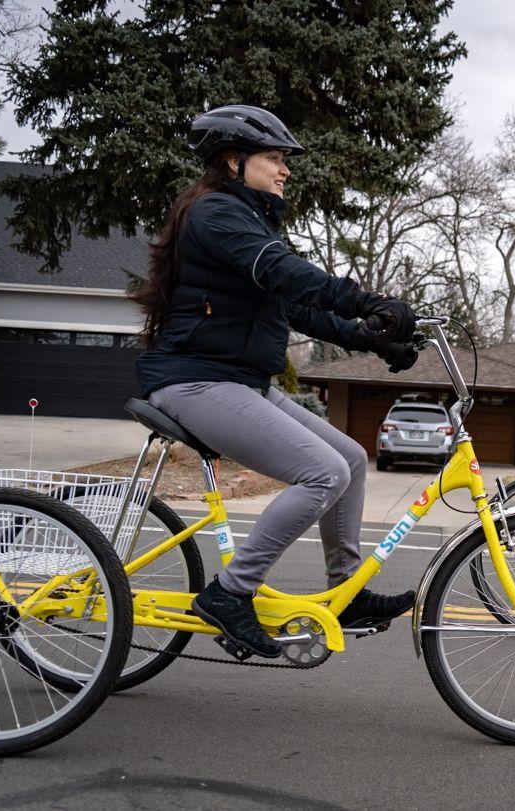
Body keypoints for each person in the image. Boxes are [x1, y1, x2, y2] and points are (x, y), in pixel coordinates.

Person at [132, 105, 418, 658]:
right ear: (233, 161)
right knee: (322, 471)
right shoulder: (215, 214)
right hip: (195, 381)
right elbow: (285, 272)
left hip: (238, 382)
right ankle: (229, 593)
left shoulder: (248, 219)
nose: (285, 170)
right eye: (275, 159)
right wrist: (367, 299)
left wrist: (371, 337)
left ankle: (344, 591)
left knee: (352, 460)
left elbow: (295, 309)